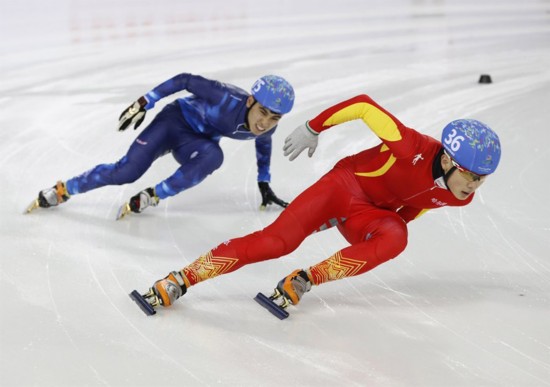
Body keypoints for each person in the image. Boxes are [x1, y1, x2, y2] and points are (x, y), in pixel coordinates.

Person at [137, 93, 502, 314]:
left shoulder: (458, 196)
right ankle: (181, 279)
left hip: (368, 213)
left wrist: (375, 235)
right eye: (472, 176)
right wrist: (313, 127)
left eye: (482, 180)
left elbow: (415, 206)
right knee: (276, 242)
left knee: (398, 235)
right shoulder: (411, 147)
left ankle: (305, 280)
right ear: (451, 161)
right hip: (343, 187)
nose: (474, 187)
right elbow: (363, 105)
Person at [31, 73, 294, 216]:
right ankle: (65, 188)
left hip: (197, 142)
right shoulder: (224, 96)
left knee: (214, 156)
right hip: (173, 123)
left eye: (274, 117)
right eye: (263, 112)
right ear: (250, 101)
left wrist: (264, 181)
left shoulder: (267, 127)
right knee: (126, 172)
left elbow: (263, 145)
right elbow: (185, 80)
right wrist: (145, 102)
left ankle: (153, 195)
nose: (265, 122)